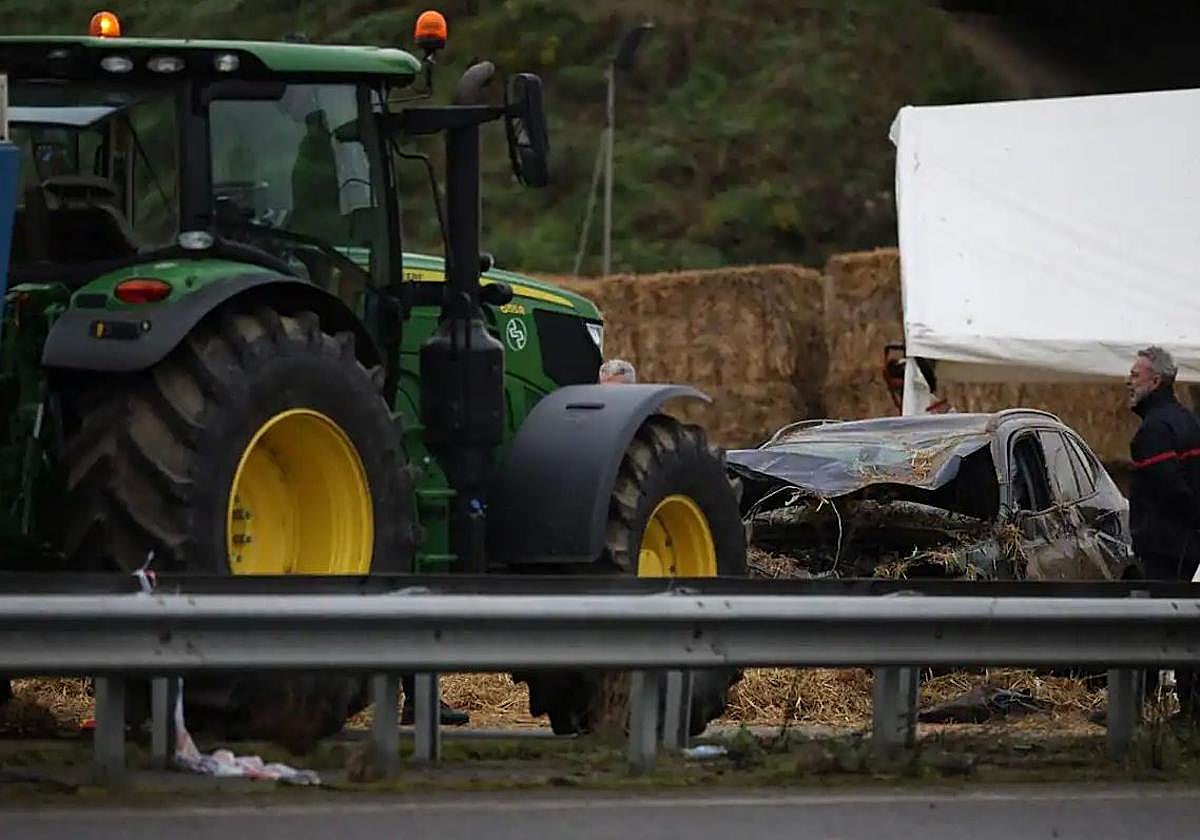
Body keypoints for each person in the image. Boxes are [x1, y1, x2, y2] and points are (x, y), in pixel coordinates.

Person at [1126, 344, 1200, 720]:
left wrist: (1190, 518)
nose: (1129, 382)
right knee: (1186, 628)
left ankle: (1144, 705)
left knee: (1156, 626)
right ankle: (1189, 708)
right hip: (1187, 546)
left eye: (1135, 376)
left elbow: (1171, 488)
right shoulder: (1187, 421)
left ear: (1155, 380)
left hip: (1163, 544)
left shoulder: (1154, 431)